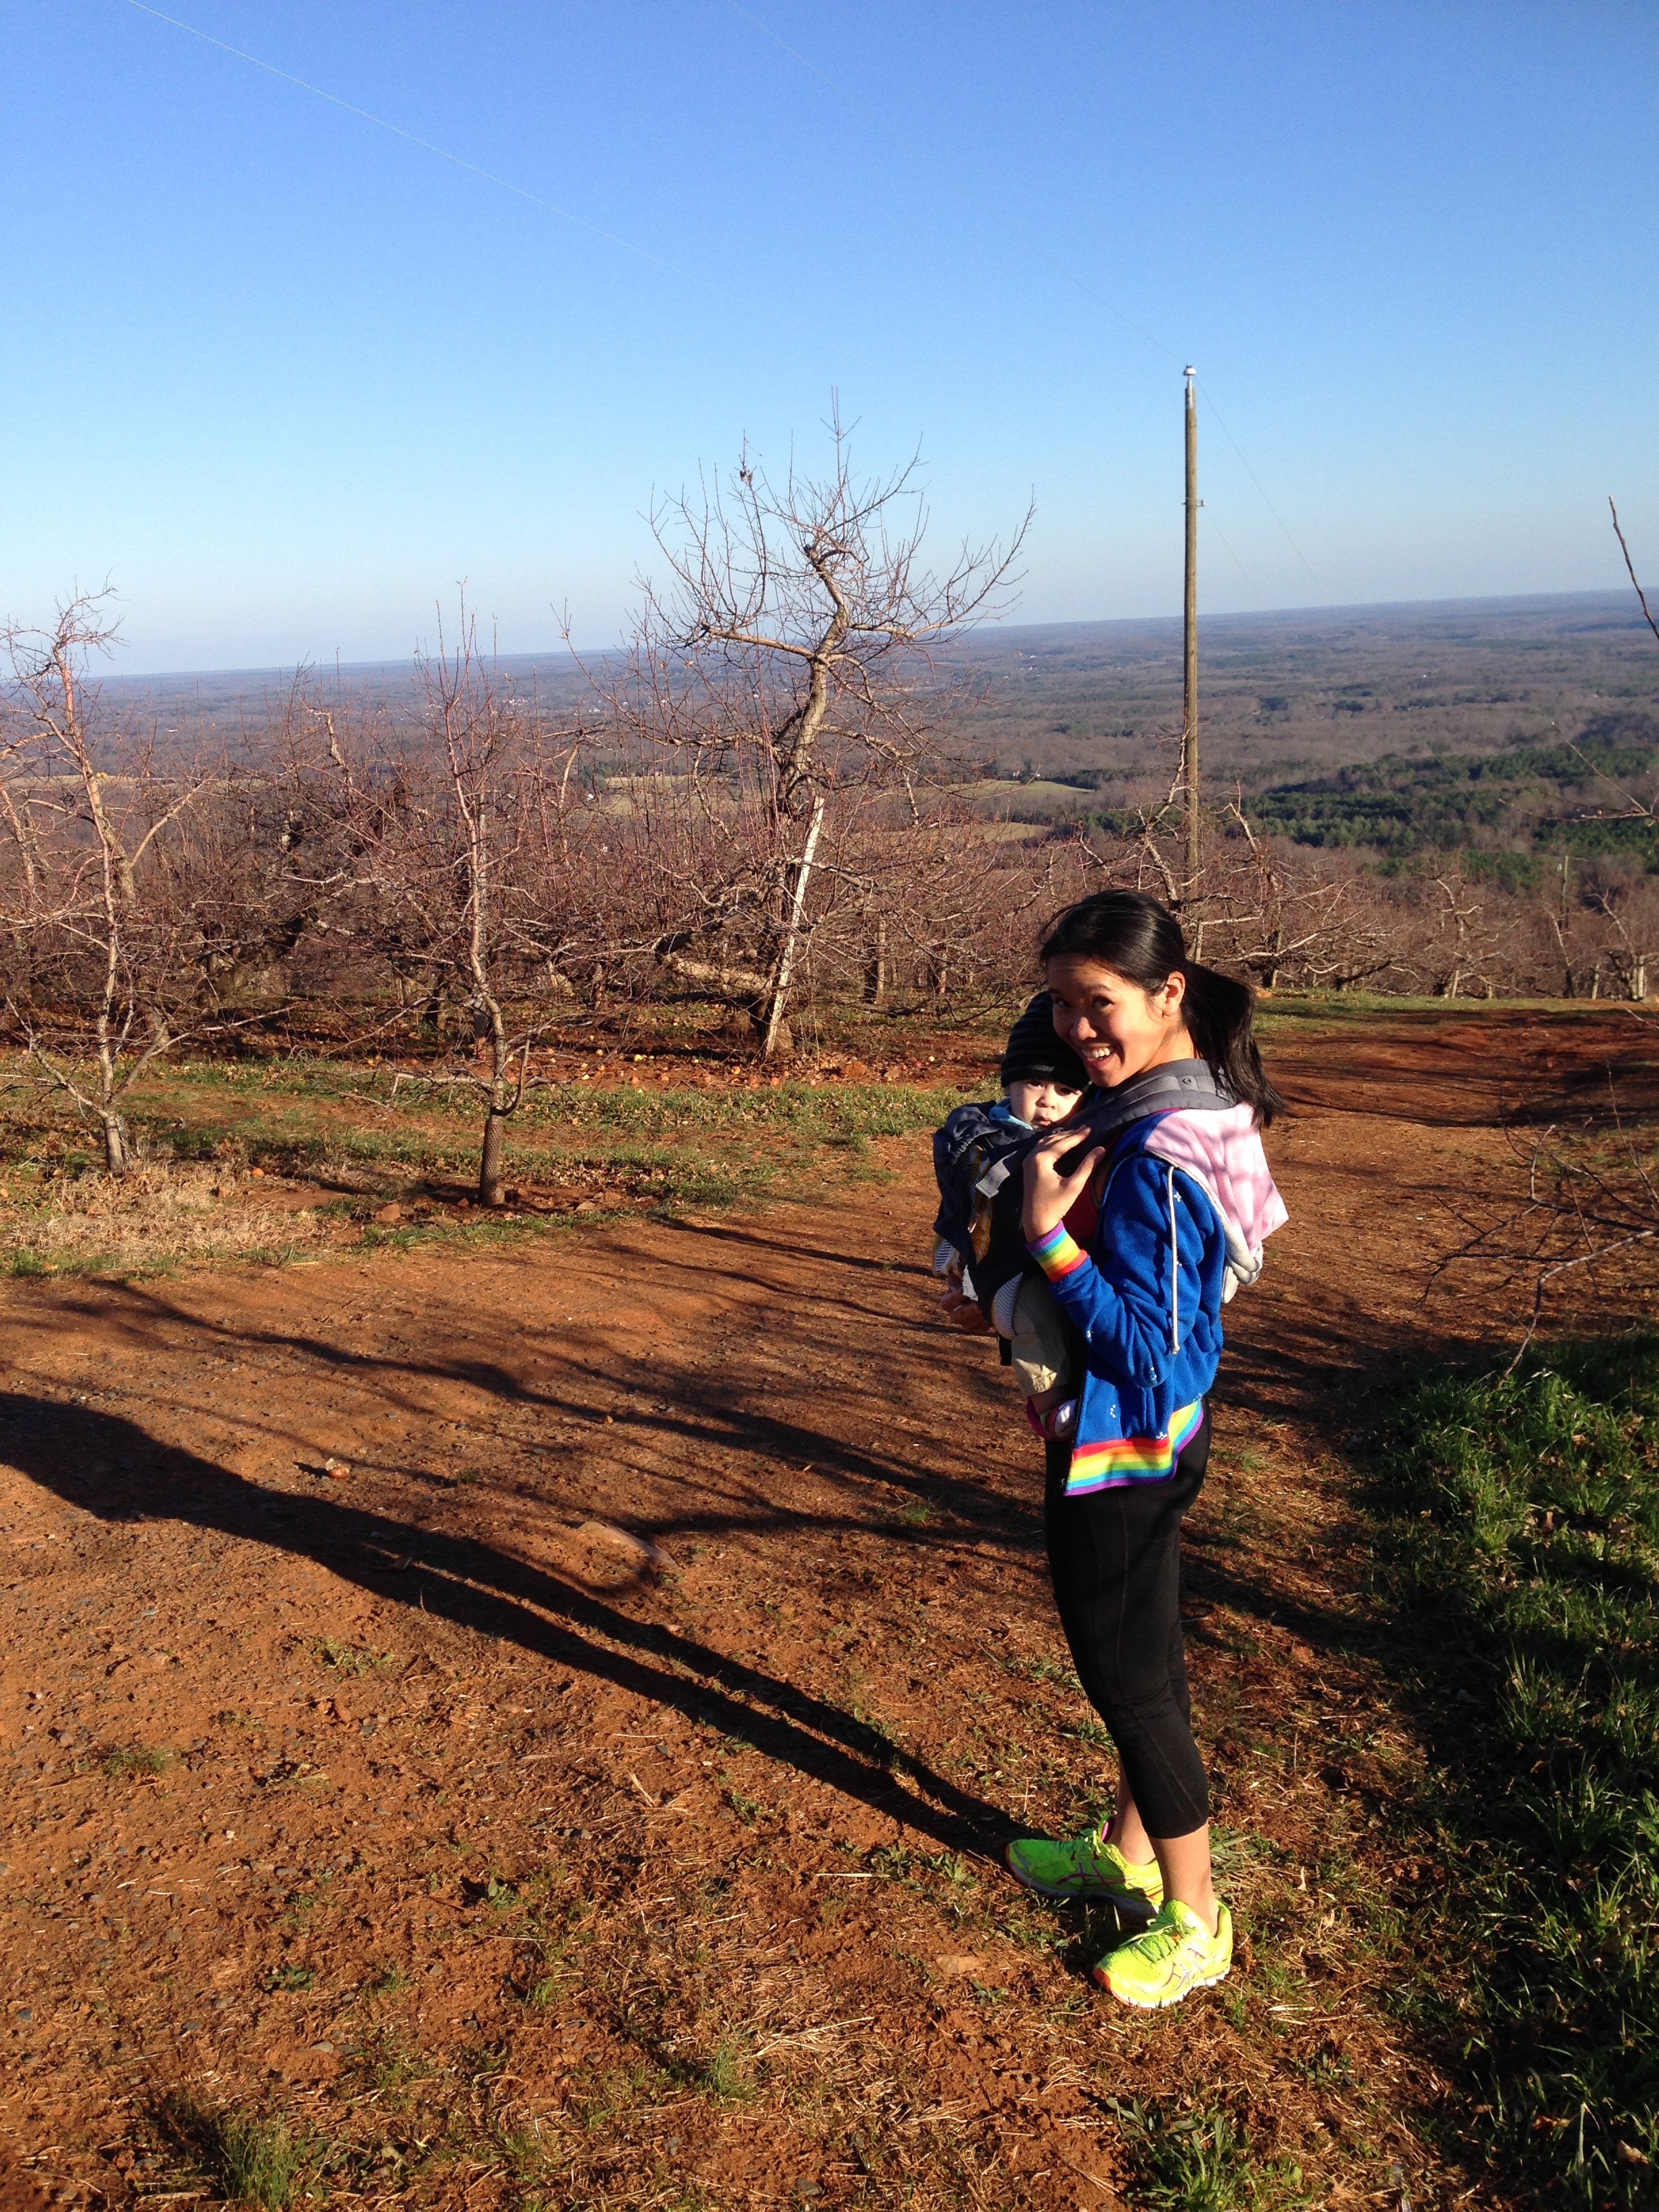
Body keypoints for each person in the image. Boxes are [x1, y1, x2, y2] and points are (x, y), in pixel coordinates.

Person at [996, 890, 1288, 2010]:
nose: (1075, 1029)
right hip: (1154, 1441)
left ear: (1168, 993)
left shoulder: (1160, 1149)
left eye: (1097, 1004)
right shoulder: (1184, 1100)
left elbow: (1152, 1355)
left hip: (1125, 1452)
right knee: (1147, 1661)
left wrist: (1046, 1240)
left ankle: (1196, 1917)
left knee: (1131, 1684)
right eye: (1060, 1004)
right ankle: (1124, 1854)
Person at [931, 996, 1087, 1416]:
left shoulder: (1077, 1136)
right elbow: (961, 1204)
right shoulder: (977, 1136)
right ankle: (1052, 1408)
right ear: (1009, 1084)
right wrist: (959, 1264)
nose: (1047, 1101)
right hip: (1005, 1267)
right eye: (1034, 1083)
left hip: (1054, 1259)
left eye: (1066, 1090)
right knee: (1035, 1320)